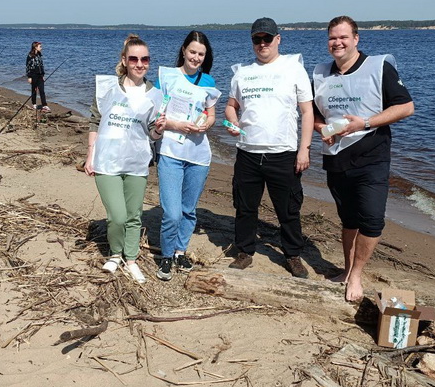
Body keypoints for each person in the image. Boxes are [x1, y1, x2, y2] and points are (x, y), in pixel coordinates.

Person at [312, 15, 414, 302]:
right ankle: (347, 271)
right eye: (333, 38)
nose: (338, 43)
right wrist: (322, 129)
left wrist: (365, 123)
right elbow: (314, 114)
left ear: (356, 39)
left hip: (372, 155)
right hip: (336, 158)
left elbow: (406, 107)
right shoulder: (320, 73)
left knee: (371, 220)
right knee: (348, 220)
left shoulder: (378, 67)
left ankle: (356, 274)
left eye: (343, 37)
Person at [224, 17, 314, 278]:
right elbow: (231, 106)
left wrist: (304, 149)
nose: (262, 44)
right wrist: (232, 122)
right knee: (245, 207)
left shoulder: (294, 68)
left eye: (267, 38)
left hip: (283, 153)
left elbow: (307, 112)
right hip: (248, 152)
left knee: (288, 210)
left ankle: (293, 255)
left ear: (278, 39)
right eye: (257, 39)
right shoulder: (242, 72)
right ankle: (245, 251)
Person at [84, 34, 166, 284]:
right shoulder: (107, 87)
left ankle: (130, 259)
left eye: (145, 59)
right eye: (134, 59)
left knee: (133, 215)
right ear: (124, 60)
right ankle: (115, 253)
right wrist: (90, 155)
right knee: (117, 216)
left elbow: (152, 133)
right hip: (106, 161)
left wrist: (159, 130)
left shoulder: (155, 94)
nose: (140, 64)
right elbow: (95, 121)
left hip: (136, 162)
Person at [154, 31, 221, 281]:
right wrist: (176, 125)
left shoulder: (208, 81)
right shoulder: (167, 77)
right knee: (172, 212)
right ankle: (166, 255)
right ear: (183, 50)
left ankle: (180, 251)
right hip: (170, 151)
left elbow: (211, 114)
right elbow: (156, 114)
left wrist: (207, 124)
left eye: (201, 54)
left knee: (188, 209)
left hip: (198, 155)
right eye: (192, 52)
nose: (196, 57)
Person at [26, 41, 49, 112]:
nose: (41, 48)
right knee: (34, 90)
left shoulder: (39, 55)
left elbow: (41, 66)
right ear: (35, 47)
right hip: (33, 75)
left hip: (40, 76)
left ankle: (44, 105)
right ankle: (34, 104)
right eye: (40, 47)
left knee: (42, 91)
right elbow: (28, 66)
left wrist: (43, 75)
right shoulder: (30, 56)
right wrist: (29, 77)